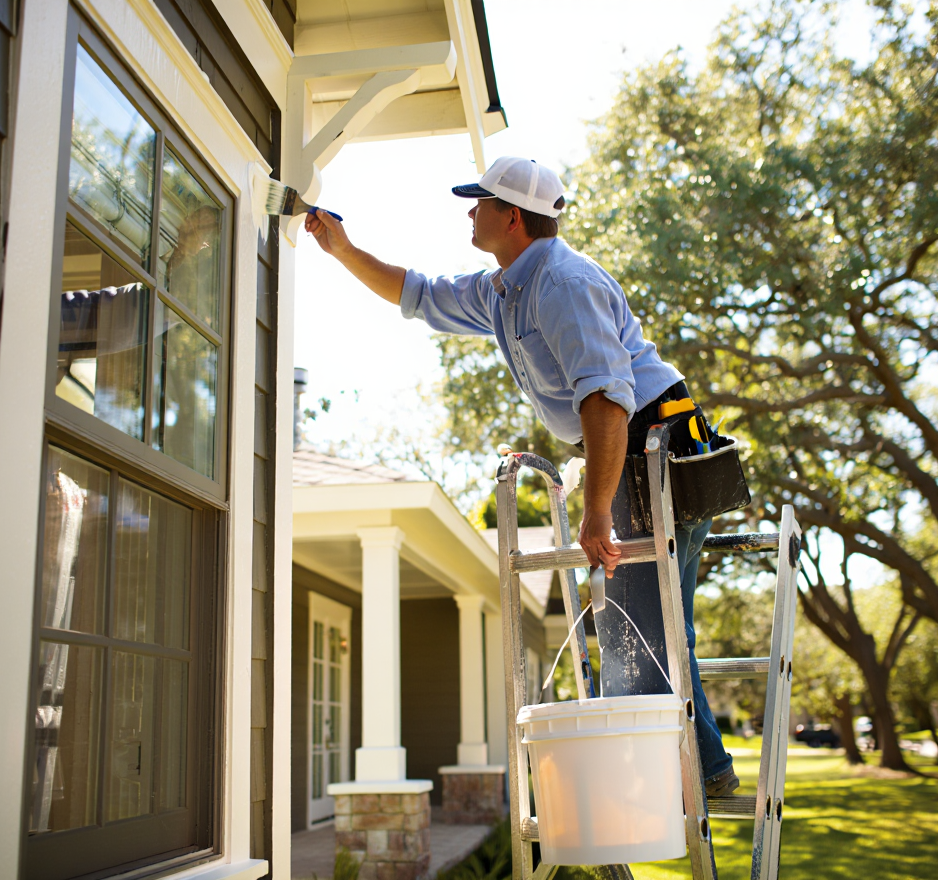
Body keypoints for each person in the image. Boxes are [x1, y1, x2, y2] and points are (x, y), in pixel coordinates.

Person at [303, 156, 739, 797]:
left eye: (477, 201)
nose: (468, 211)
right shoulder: (505, 288)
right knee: (647, 630)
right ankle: (704, 774)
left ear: (511, 215)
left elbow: (606, 402)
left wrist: (596, 510)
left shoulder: (562, 283)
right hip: (633, 446)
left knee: (637, 638)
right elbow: (418, 293)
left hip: (651, 446)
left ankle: (678, 784)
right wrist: (342, 248)